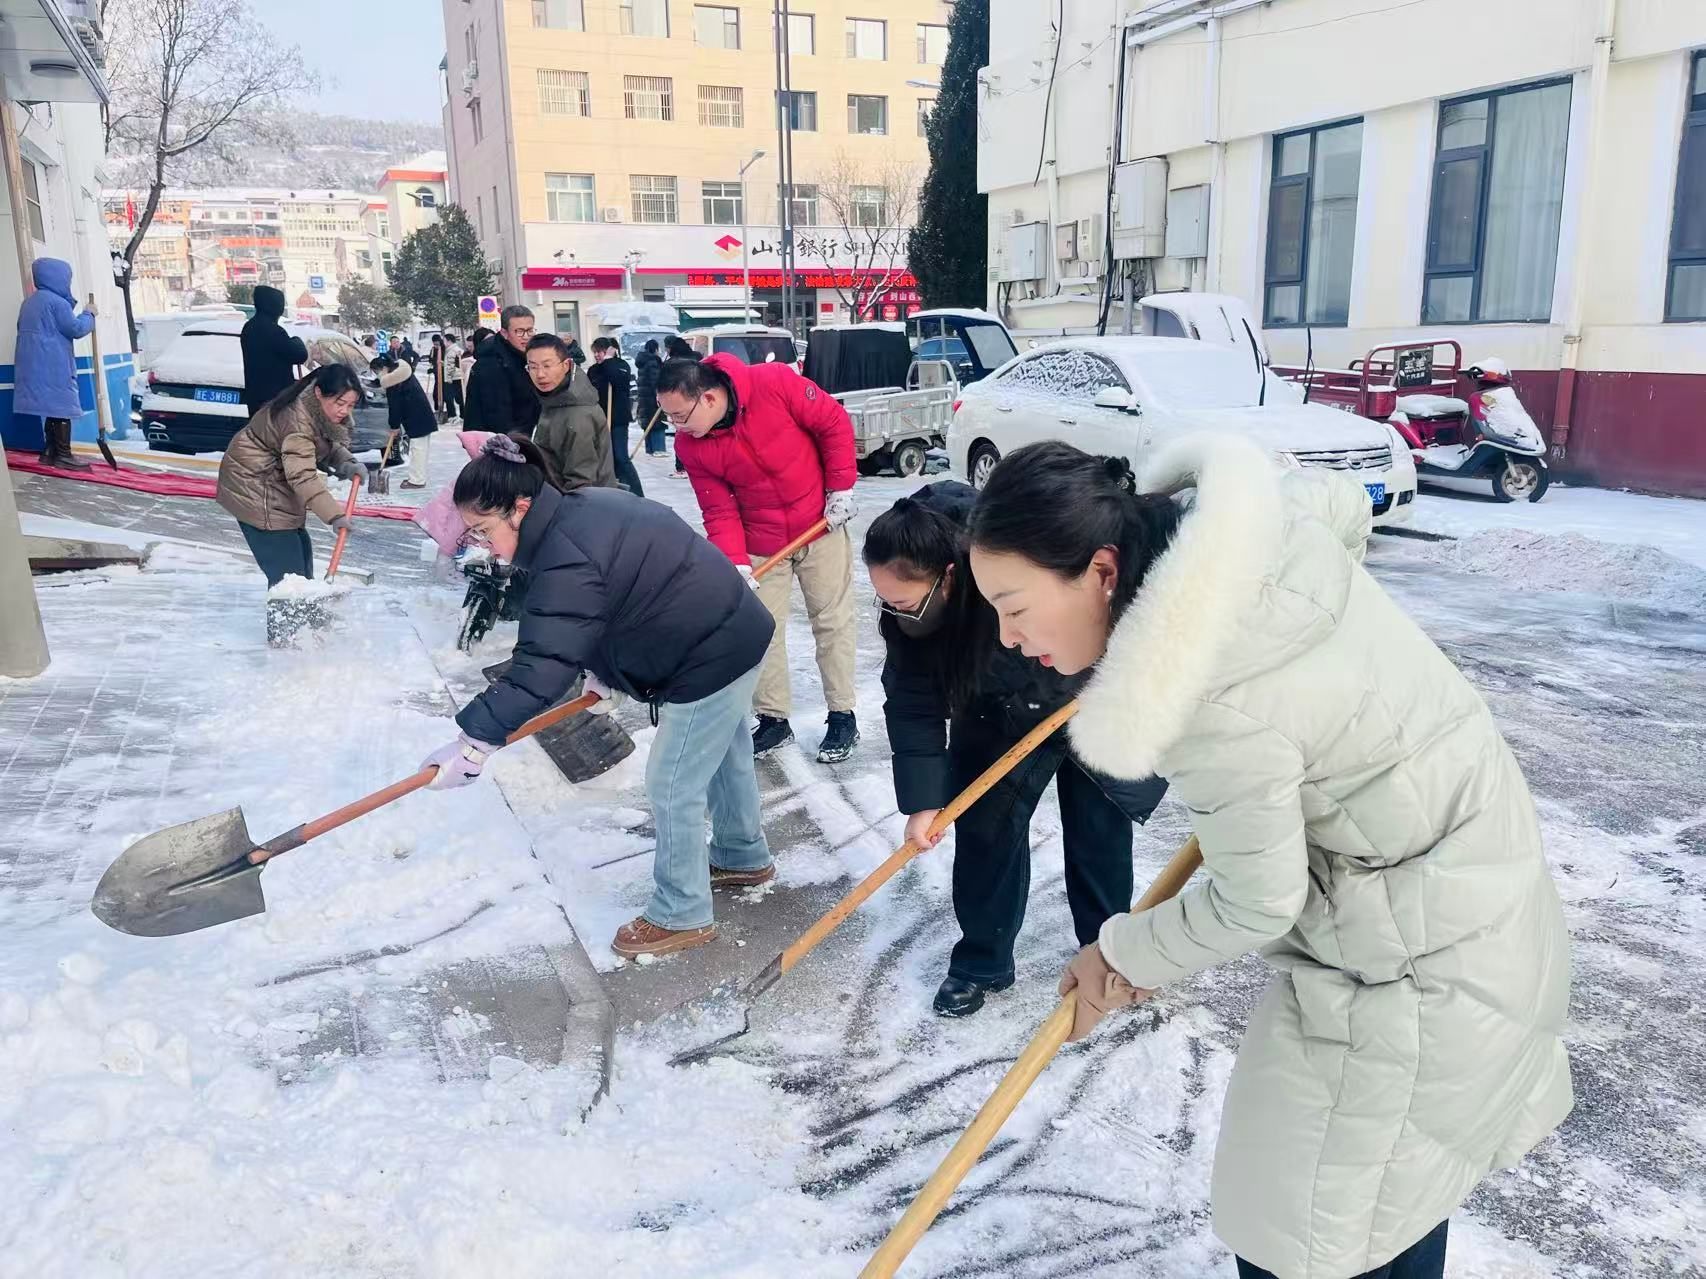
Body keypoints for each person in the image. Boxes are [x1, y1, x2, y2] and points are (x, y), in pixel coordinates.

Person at [966, 436, 1573, 1279]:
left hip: (1425, 963)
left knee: (1298, 1225)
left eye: (1014, 605)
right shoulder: (1247, 544)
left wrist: (1119, 951)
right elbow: (1337, 506)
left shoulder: (1210, 687)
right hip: (1479, 896)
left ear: (1102, 571)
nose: (1008, 636)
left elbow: (1256, 899)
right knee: (1388, 1192)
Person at [419, 434, 778, 958]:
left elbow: (542, 664)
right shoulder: (577, 511)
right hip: (729, 626)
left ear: (520, 509)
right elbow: (613, 603)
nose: (484, 546)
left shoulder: (565, 555)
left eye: (484, 531)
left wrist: (475, 741)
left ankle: (682, 913)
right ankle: (742, 856)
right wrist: (605, 668)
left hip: (710, 650)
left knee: (673, 782)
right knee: (724, 754)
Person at [865, 483, 1168, 1016]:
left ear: (948, 576)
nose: (897, 613)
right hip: (995, 708)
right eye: (887, 602)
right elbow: (910, 702)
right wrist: (923, 801)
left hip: (1084, 685)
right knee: (985, 829)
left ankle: (1108, 955)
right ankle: (982, 960)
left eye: (905, 603)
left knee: (1099, 829)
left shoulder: (1009, 558)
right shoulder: (908, 615)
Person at [657, 355, 861, 763]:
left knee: (832, 621)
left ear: (708, 398)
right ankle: (773, 719)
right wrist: (735, 560)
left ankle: (842, 715)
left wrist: (840, 487)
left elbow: (832, 423)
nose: (677, 427)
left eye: (680, 416)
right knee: (761, 631)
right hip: (760, 540)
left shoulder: (774, 383)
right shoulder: (691, 445)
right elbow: (718, 509)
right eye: (669, 417)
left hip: (819, 522)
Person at [215, 365, 367, 586]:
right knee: (289, 579)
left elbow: (321, 443)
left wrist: (346, 462)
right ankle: (288, 608)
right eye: (340, 403)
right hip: (257, 487)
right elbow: (302, 476)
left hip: (275, 482)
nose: (344, 411)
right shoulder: (297, 422)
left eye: (350, 405)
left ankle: (301, 605)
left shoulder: (314, 409)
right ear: (319, 393)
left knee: (300, 565)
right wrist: (334, 515)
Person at [14, 257, 96, 470]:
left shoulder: (29, 302)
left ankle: (49, 452)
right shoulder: (57, 303)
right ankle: (64, 455)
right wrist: (89, 314)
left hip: (33, 365)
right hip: (54, 364)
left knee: (51, 407)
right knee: (61, 408)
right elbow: (76, 329)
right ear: (58, 278)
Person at [526, 333, 616, 493]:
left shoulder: (577, 413)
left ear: (566, 365)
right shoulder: (555, 400)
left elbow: (582, 484)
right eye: (533, 367)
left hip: (582, 503)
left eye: (547, 366)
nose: (540, 374)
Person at [463, 305, 540, 435]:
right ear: (504, 333)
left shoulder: (525, 354)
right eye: (519, 331)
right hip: (502, 439)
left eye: (530, 330)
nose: (526, 336)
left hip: (522, 433)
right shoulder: (492, 363)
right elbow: (497, 416)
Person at [585, 336, 644, 496]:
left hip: (617, 419)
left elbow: (618, 379)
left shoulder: (621, 365)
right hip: (599, 419)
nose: (596, 355)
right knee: (604, 458)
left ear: (610, 351)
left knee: (620, 457)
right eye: (595, 352)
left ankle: (638, 495)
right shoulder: (593, 370)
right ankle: (612, 493)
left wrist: (609, 360)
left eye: (600, 351)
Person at [240, 284, 308, 418]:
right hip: (276, 400)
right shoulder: (273, 331)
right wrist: (297, 340)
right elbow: (300, 354)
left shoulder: (249, 327)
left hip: (255, 397)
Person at [371, 354, 437, 490]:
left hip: (417, 418)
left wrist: (394, 426)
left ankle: (417, 480)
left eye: (376, 372)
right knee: (419, 449)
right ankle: (417, 477)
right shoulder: (401, 372)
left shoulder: (392, 381)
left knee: (418, 450)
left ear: (383, 368)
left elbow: (395, 406)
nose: (378, 375)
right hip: (421, 416)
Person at [662, 334, 697, 478]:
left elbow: (666, 383)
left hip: (681, 402)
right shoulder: (697, 357)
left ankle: (681, 468)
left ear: (671, 348)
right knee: (698, 436)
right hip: (698, 401)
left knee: (682, 436)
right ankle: (697, 467)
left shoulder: (672, 363)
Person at [634, 338, 664, 455]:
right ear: (655, 349)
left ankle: (650, 448)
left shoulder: (642, 362)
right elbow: (656, 381)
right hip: (652, 399)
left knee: (648, 422)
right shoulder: (653, 362)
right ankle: (658, 449)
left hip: (644, 398)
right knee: (657, 423)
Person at [440, 331, 465, 421]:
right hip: (457, 376)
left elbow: (451, 366)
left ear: (449, 341)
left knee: (451, 397)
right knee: (460, 397)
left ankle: (455, 416)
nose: (443, 343)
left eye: (444, 341)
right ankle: (462, 415)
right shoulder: (455, 349)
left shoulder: (452, 351)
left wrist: (449, 378)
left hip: (454, 378)